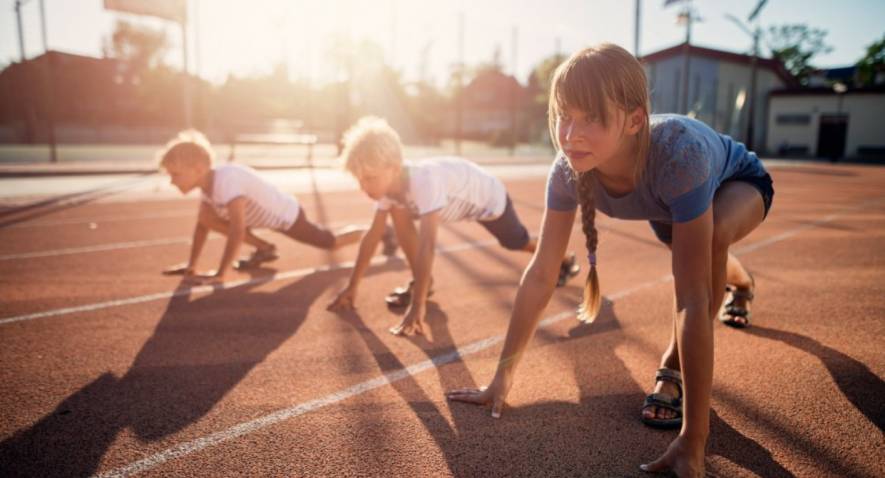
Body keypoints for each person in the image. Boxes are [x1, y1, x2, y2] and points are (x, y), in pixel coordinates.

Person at [445, 43, 774, 478]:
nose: (571, 134)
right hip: (669, 206)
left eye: (592, 118)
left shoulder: (680, 156)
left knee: (707, 252)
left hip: (738, 184)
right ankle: (741, 279)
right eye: (565, 115)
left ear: (635, 119)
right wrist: (501, 378)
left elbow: (692, 299)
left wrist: (695, 439)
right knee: (697, 250)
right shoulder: (567, 170)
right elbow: (542, 272)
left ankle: (672, 368)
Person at [327, 116, 581, 335]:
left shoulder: (423, 181)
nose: (364, 188)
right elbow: (372, 236)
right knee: (397, 211)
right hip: (459, 200)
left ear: (393, 168)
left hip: (489, 200)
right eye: (360, 180)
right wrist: (352, 287)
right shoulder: (389, 190)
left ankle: (563, 259)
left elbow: (428, 245)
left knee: (516, 242)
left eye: (370, 178)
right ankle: (423, 282)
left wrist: (417, 306)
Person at [158, 129, 377, 283]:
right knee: (206, 218)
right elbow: (202, 226)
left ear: (198, 169)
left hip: (287, 216)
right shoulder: (207, 187)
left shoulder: (227, 181)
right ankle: (264, 248)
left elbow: (236, 229)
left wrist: (220, 273)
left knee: (331, 243)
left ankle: (379, 232)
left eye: (176, 174)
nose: (172, 181)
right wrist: (191, 265)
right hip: (260, 219)